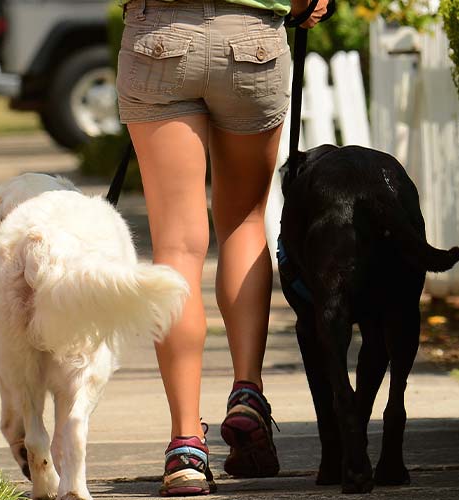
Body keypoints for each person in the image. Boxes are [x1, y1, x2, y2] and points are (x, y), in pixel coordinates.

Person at [116, 0, 329, 495]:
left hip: (159, 34)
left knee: (177, 247)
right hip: (249, 35)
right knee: (243, 222)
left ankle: (186, 448)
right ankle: (247, 393)